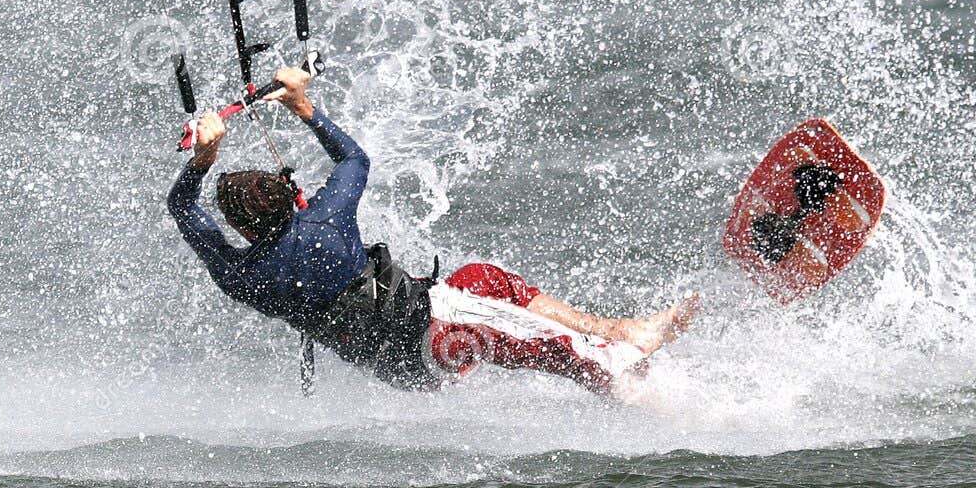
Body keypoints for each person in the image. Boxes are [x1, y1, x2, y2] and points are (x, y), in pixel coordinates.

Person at [168, 66, 699, 397]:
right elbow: (353, 156)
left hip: (408, 372)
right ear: (289, 195)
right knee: (554, 348)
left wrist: (204, 158)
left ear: (237, 227)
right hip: (440, 333)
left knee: (481, 279)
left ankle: (619, 331)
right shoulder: (324, 220)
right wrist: (304, 105)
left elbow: (181, 205)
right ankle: (634, 387)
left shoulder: (239, 276)